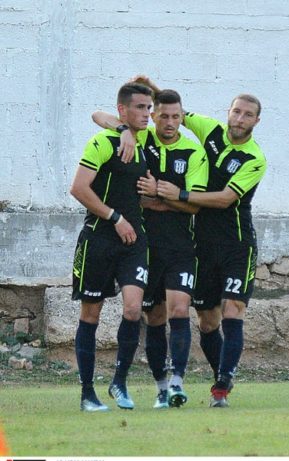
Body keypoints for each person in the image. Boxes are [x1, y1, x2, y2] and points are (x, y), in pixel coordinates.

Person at [136, 77, 266, 408]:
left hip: (237, 245)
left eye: (247, 115)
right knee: (208, 321)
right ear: (228, 112)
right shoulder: (209, 130)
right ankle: (219, 375)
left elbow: (224, 199)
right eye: (236, 112)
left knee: (233, 310)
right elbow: (172, 112)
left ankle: (221, 387)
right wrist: (150, 88)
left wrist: (177, 194)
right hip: (202, 246)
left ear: (256, 121)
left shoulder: (254, 158)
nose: (240, 119)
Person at [92, 88, 209, 409]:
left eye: (176, 117)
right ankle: (160, 387)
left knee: (180, 309)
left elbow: (194, 205)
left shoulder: (193, 152)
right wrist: (123, 130)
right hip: (144, 247)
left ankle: (177, 382)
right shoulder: (140, 139)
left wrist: (159, 194)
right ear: (154, 115)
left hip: (181, 247)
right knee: (154, 317)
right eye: (163, 116)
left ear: (182, 117)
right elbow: (97, 115)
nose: (170, 122)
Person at [70, 83, 153, 411]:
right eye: (140, 108)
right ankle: (87, 393)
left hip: (133, 242)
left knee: (133, 309)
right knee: (91, 314)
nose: (147, 114)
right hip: (99, 239)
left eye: (149, 108)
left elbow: (99, 114)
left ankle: (119, 382)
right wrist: (114, 217)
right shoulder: (103, 142)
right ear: (123, 110)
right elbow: (78, 188)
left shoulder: (142, 141)